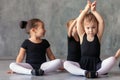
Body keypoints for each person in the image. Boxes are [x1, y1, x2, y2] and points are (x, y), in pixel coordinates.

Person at [64, 0, 120, 78]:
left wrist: (94, 11)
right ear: (84, 28)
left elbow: (101, 22)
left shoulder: (98, 36)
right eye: (88, 28)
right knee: (66, 64)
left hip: (96, 65)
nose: (90, 30)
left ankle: (97, 73)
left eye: (93, 27)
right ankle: (84, 72)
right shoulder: (82, 35)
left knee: (112, 59)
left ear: (97, 27)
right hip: (82, 64)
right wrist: (86, 10)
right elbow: (79, 21)